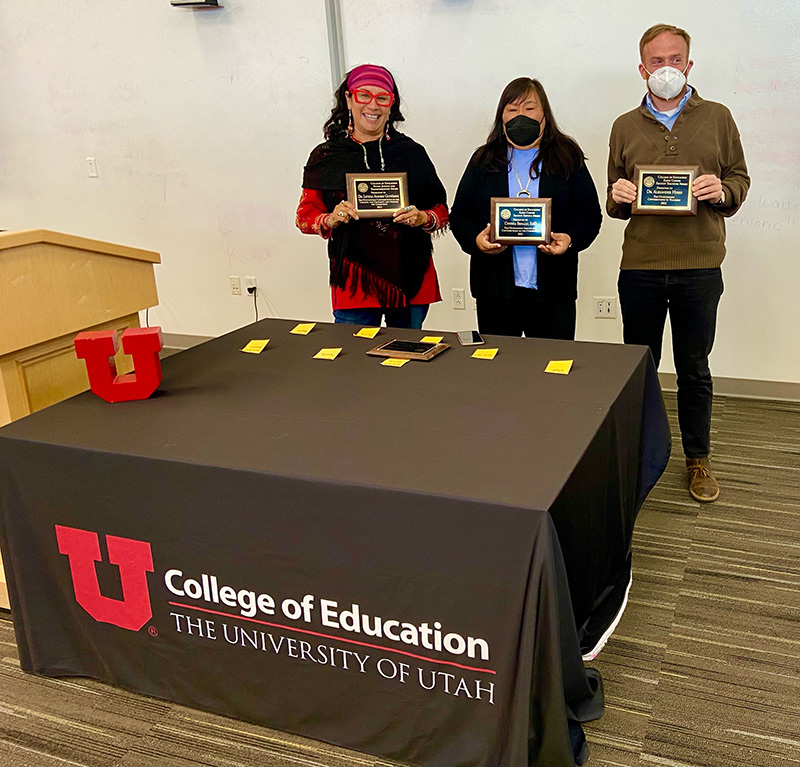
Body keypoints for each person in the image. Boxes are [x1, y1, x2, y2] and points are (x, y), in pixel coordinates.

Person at [607, 24, 750, 503]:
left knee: (694, 367)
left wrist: (723, 191)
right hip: (641, 265)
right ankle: (638, 455)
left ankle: (697, 459)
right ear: (642, 68)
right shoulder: (624, 125)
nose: (665, 68)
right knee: (639, 366)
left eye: (675, 59)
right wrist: (620, 195)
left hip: (700, 265)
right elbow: (614, 198)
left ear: (688, 64)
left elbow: (739, 179)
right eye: (656, 60)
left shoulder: (718, 117)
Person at [296, 64, 448, 329]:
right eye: (364, 95)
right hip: (354, 283)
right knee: (355, 365)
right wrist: (330, 219)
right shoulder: (326, 156)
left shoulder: (412, 153)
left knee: (407, 361)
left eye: (382, 98)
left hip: (411, 277)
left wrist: (423, 217)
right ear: (348, 98)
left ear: (391, 104)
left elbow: (442, 212)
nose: (373, 105)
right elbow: (304, 216)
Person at [449, 77, 602, 339]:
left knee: (552, 367)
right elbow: (459, 216)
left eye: (530, 108)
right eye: (512, 109)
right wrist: (476, 240)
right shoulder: (484, 160)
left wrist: (570, 239)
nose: (521, 116)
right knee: (500, 367)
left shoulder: (567, 157)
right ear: (502, 117)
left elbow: (590, 215)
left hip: (554, 289)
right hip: (494, 289)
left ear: (545, 114)